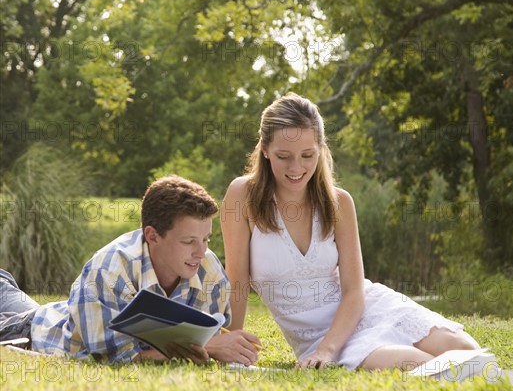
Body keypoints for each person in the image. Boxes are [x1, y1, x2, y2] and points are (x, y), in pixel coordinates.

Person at [222, 93, 480, 371]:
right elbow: (236, 281)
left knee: (468, 352)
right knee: (423, 366)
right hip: (318, 336)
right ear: (264, 148)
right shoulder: (242, 195)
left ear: (321, 148)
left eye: (307, 155)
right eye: (283, 156)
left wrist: (327, 351)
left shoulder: (339, 202)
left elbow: (354, 291)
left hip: (367, 309)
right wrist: (230, 340)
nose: (296, 168)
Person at [0, 175, 260, 364]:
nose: (201, 252)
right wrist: (209, 346)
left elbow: (213, 337)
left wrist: (224, 346)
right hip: (28, 332)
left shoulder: (208, 268)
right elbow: (111, 357)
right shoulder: (110, 269)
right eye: (189, 241)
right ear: (152, 235)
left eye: (206, 239)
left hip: (52, 313)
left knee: (8, 293)